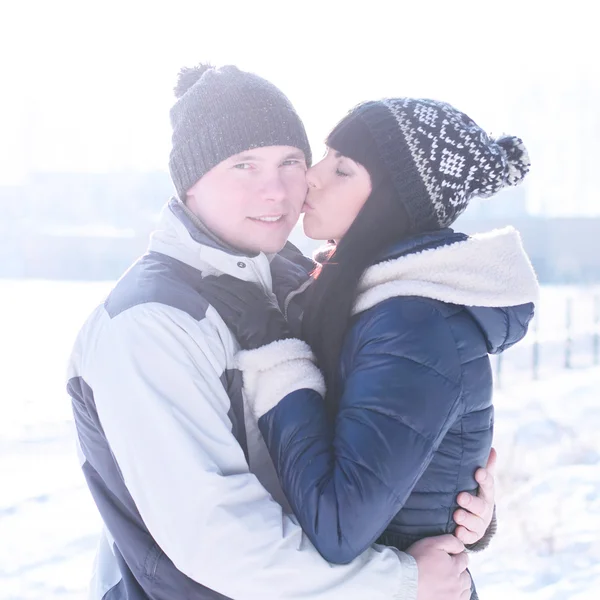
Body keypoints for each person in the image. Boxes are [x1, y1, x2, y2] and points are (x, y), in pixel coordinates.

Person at [67, 65, 495, 600]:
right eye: (243, 165)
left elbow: (370, 445)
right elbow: (218, 540)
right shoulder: (150, 324)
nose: (275, 189)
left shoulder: (303, 281)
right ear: (190, 182)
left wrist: (453, 505)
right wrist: (405, 582)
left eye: (291, 161)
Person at [201, 97, 539, 597]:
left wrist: (276, 351)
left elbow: (339, 526)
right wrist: (460, 511)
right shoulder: (361, 296)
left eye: (342, 168)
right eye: (325, 155)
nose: (312, 176)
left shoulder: (412, 320)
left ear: (393, 202)